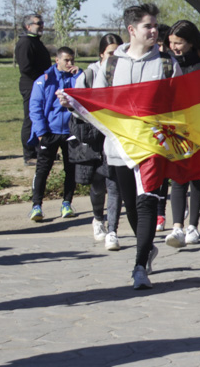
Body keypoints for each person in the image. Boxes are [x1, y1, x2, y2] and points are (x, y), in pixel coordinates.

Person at [86, 3, 183, 290]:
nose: (154, 30)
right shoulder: (112, 63)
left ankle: (139, 266)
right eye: (147, 26)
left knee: (147, 205)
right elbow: (96, 99)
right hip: (119, 150)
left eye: (155, 25)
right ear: (132, 30)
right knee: (132, 208)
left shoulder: (167, 64)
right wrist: (72, 101)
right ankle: (147, 248)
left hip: (152, 148)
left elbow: (178, 103)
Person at [163, 21, 200, 249]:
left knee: (197, 177)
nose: (174, 47)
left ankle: (193, 226)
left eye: (179, 43)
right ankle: (177, 226)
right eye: (171, 43)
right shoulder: (168, 63)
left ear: (191, 42)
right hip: (175, 128)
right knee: (178, 177)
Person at [80, 34, 125, 251]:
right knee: (98, 186)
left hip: (114, 136)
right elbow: (77, 104)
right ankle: (98, 218)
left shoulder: (124, 70)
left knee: (114, 185)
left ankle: (113, 229)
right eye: (110, 53)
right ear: (101, 55)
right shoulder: (90, 74)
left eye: (118, 52)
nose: (114, 57)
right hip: (94, 137)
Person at [28, 46, 82, 222]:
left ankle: (66, 203)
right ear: (57, 60)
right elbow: (35, 107)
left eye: (72, 60)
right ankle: (36, 206)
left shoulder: (76, 78)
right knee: (43, 169)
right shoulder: (44, 80)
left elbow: (85, 94)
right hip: (49, 132)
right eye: (66, 60)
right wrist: (42, 133)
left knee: (70, 169)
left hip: (70, 131)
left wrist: (79, 74)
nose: (70, 63)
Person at [16, 13, 50, 165]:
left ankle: (40, 151)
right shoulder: (25, 42)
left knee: (41, 117)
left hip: (40, 85)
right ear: (28, 26)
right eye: (38, 23)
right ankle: (29, 154)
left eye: (42, 23)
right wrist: (41, 78)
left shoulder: (35, 41)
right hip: (31, 85)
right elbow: (25, 67)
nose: (41, 25)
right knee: (31, 118)